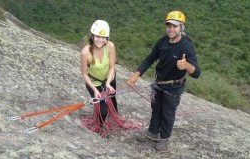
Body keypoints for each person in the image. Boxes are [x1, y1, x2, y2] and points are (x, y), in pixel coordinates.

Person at [127, 11, 201, 151]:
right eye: (169, 25)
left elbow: (196, 73)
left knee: (167, 112)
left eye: (175, 26)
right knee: (156, 109)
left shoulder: (186, 46)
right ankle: (153, 131)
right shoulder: (162, 41)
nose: (171, 29)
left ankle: (165, 137)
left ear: (181, 28)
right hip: (159, 83)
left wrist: (186, 66)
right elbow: (150, 58)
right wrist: (136, 75)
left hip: (174, 86)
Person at [80, 20, 118, 125]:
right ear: (92, 36)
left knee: (112, 97)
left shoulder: (110, 46)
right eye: (97, 36)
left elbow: (112, 67)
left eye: (103, 37)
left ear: (107, 38)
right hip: (94, 83)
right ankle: (99, 126)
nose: (100, 40)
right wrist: (94, 90)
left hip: (109, 78)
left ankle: (115, 115)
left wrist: (108, 83)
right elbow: (84, 74)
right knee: (103, 111)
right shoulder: (85, 52)